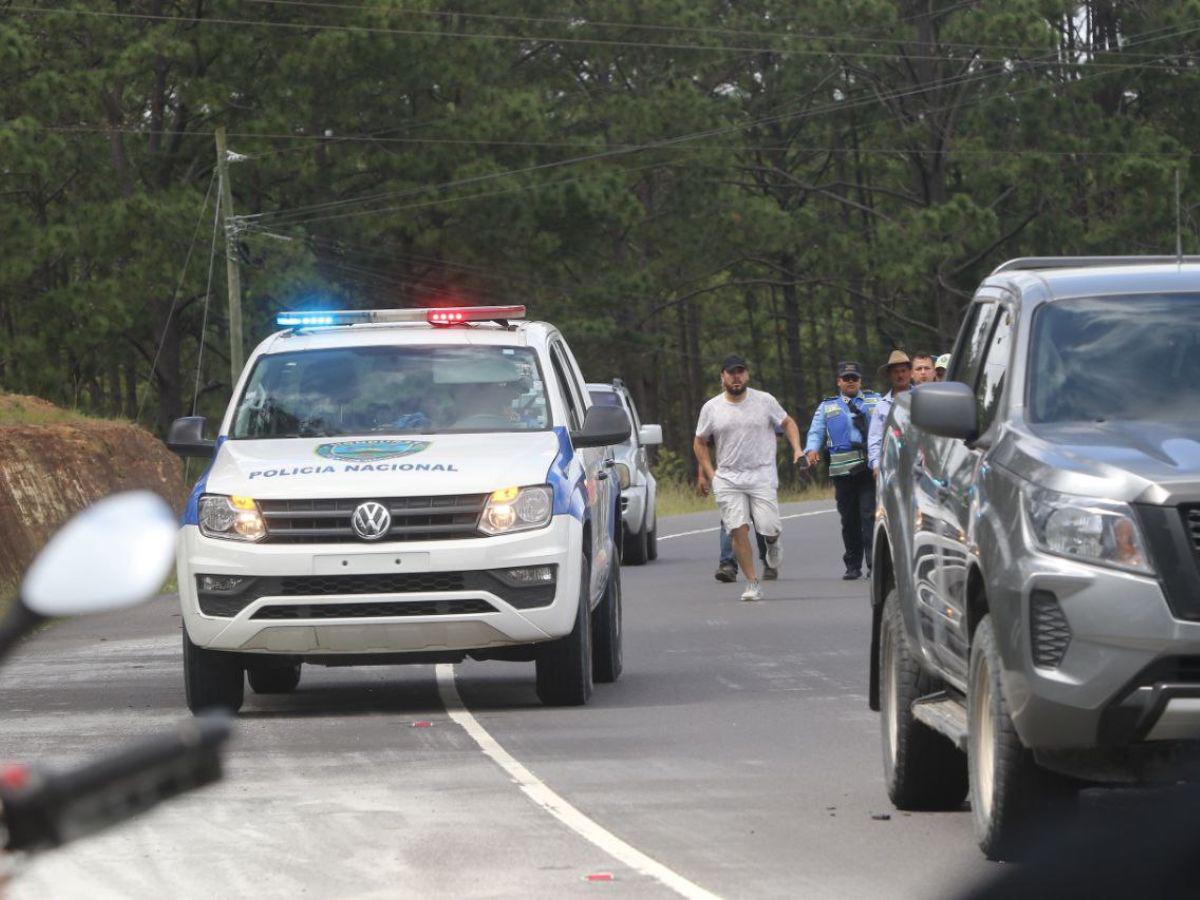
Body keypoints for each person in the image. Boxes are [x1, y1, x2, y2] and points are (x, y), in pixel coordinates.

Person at [694, 354, 802, 601]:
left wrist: (797, 449)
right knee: (737, 530)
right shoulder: (711, 408)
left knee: (768, 527)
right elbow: (700, 442)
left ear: (747, 375)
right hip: (729, 478)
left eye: (740, 372)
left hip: (761, 474)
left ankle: (773, 543)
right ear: (722, 377)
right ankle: (753, 583)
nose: (736, 377)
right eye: (731, 373)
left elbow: (788, 423)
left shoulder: (764, 401)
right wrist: (711, 474)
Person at [804, 361, 880, 580]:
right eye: (846, 379)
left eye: (854, 378)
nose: (850, 382)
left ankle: (874, 562)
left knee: (869, 515)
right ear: (838, 381)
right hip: (842, 471)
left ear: (860, 381)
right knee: (849, 519)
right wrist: (811, 451)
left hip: (867, 468)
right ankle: (852, 564)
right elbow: (816, 432)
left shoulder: (874, 401)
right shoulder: (827, 407)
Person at [867, 350, 913, 476]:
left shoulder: (921, 399)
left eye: (903, 371)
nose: (900, 375)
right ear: (889, 375)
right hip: (891, 466)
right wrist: (876, 465)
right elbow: (875, 438)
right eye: (896, 372)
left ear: (910, 372)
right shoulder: (881, 406)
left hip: (919, 462)